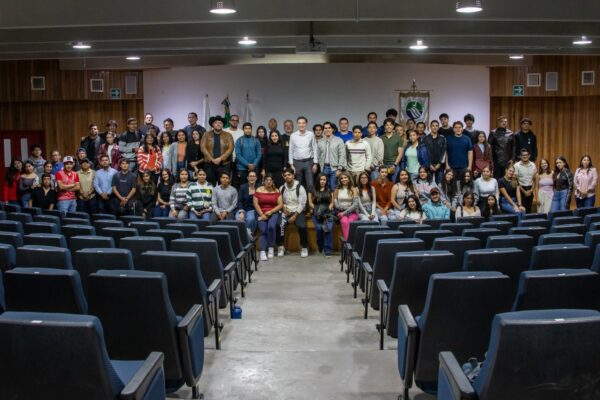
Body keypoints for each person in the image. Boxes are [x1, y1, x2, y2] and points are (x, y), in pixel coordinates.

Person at [277, 168, 309, 257]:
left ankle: (304, 247)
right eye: (285, 175)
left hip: (298, 211)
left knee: (302, 226)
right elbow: (280, 201)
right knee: (279, 225)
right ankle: (281, 246)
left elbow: (302, 203)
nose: (287, 177)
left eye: (289, 175)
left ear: (293, 175)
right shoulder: (282, 188)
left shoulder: (300, 187)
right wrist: (283, 208)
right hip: (286, 211)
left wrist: (294, 216)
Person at [254, 174, 283, 261]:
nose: (268, 182)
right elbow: (255, 204)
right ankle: (262, 251)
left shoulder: (276, 191)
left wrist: (270, 212)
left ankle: (271, 247)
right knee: (263, 230)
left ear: (273, 181)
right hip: (261, 212)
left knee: (271, 227)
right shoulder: (258, 190)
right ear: (264, 181)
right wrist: (262, 215)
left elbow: (280, 205)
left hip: (273, 212)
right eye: (267, 180)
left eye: (270, 180)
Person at [201, 116, 234, 186]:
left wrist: (221, 158)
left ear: (223, 125)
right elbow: (203, 148)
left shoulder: (228, 135)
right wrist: (211, 159)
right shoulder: (206, 134)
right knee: (209, 185)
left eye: (220, 123)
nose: (218, 124)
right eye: (216, 123)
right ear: (212, 124)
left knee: (223, 185)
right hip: (209, 165)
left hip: (224, 165)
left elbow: (231, 148)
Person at [288, 116, 318, 193]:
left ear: (306, 124)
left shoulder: (311, 134)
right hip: (297, 163)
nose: (301, 125)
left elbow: (315, 148)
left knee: (310, 185)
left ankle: (311, 200)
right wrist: (291, 165)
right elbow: (290, 150)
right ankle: (300, 200)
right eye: (299, 123)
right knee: (298, 185)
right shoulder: (293, 135)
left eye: (303, 123)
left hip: (309, 162)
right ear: (297, 124)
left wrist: (315, 163)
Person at [308, 173, 334, 257]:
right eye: (320, 179)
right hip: (317, 212)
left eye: (324, 180)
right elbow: (310, 203)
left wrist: (330, 207)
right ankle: (320, 246)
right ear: (317, 180)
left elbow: (332, 202)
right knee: (319, 228)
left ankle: (328, 250)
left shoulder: (330, 189)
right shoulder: (312, 190)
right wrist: (317, 210)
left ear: (326, 181)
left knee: (328, 229)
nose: (322, 181)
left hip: (327, 213)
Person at [317, 121, 346, 190]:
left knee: (333, 187)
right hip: (324, 168)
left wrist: (339, 169)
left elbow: (342, 155)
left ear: (332, 129)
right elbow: (318, 155)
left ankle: (334, 198)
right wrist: (320, 167)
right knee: (325, 188)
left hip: (335, 168)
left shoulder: (339, 140)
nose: (327, 129)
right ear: (323, 130)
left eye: (329, 128)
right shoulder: (320, 141)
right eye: (325, 128)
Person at [334, 171, 359, 241]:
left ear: (349, 178)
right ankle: (348, 243)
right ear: (340, 180)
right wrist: (345, 210)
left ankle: (348, 243)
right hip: (340, 212)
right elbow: (336, 205)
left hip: (352, 213)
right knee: (344, 221)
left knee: (350, 222)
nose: (344, 179)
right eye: (342, 178)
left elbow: (355, 204)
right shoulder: (337, 190)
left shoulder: (354, 189)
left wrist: (344, 212)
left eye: (345, 177)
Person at [380, 117, 404, 183]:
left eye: (390, 125)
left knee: (394, 183)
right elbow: (379, 153)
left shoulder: (398, 138)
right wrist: (382, 165)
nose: (389, 126)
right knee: (384, 183)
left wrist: (394, 165)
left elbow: (400, 153)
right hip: (384, 164)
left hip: (394, 165)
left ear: (393, 126)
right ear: (384, 126)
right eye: (387, 125)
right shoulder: (380, 138)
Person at [422, 120, 447, 184]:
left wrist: (439, 163)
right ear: (430, 127)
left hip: (439, 166)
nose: (435, 127)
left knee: (440, 185)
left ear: (438, 127)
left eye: (436, 126)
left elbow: (444, 152)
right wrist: (429, 164)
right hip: (428, 166)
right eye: (433, 126)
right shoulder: (425, 138)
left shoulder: (442, 139)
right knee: (428, 184)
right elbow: (423, 153)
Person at [514, 148, 537, 213]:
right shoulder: (516, 165)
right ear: (520, 156)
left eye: (526, 155)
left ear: (529, 156)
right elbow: (516, 181)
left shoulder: (533, 165)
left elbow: (534, 179)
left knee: (529, 210)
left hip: (530, 189)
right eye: (523, 155)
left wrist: (531, 190)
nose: (525, 156)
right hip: (521, 190)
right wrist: (524, 192)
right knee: (522, 210)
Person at [236, 170, 258, 235]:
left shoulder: (259, 187)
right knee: (239, 218)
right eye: (250, 176)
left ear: (256, 178)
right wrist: (241, 212)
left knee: (250, 219)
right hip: (243, 208)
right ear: (247, 178)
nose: (252, 178)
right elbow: (239, 201)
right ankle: (242, 236)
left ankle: (248, 236)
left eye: (253, 176)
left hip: (253, 209)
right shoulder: (242, 187)